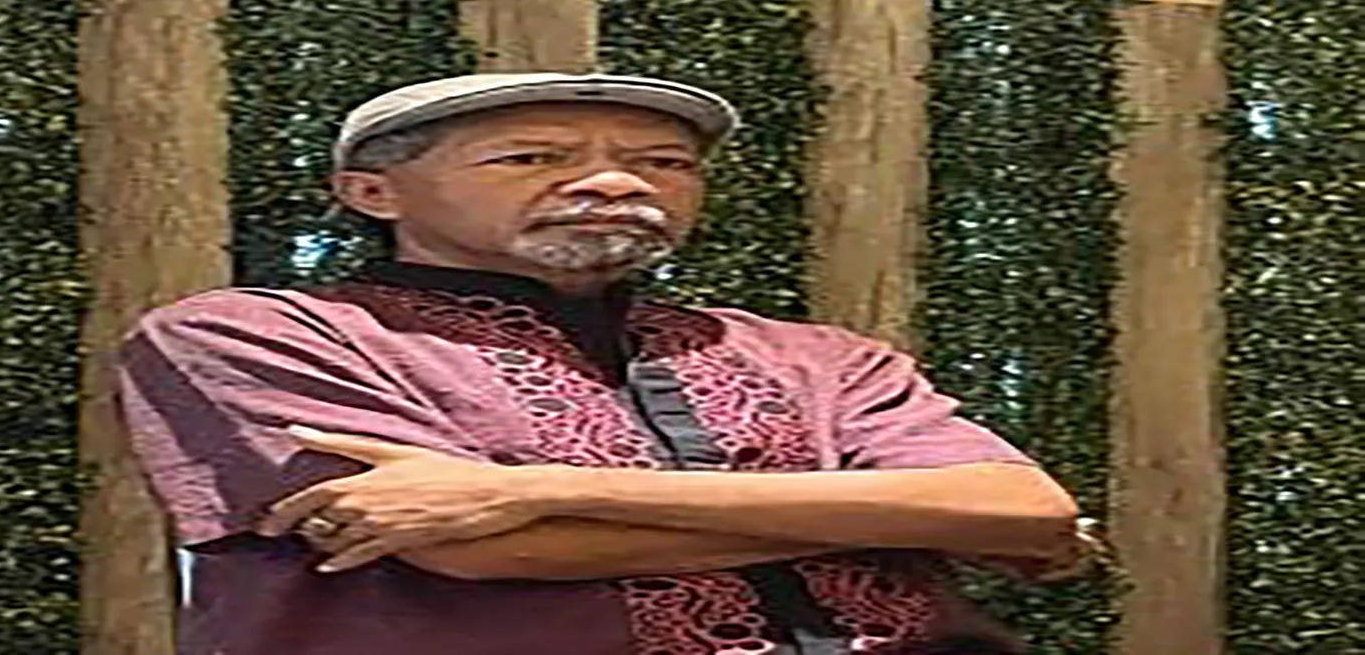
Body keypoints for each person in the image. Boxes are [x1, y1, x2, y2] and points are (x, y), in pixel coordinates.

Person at [119, 72, 1085, 655]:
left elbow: (1020, 510)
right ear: (374, 192)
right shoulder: (259, 334)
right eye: (532, 158)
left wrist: (529, 488)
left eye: (664, 162)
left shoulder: (817, 356)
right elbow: (477, 551)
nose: (615, 181)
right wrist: (893, 521)